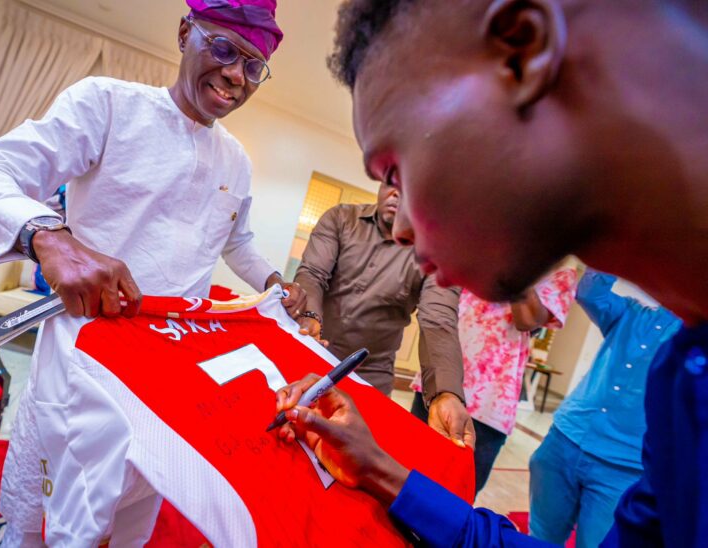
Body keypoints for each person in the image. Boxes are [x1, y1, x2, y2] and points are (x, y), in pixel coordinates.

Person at [274, 0, 708, 546]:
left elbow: (440, 317)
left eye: (398, 167)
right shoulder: (681, 378)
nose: (401, 226)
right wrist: (381, 472)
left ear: (522, 50)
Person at [0, 1, 306, 545]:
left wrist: (272, 282)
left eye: (253, 65)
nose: (236, 74)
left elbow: (238, 242)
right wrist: (49, 236)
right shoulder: (109, 105)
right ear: (186, 32)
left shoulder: (236, 159)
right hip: (86, 357)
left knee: (134, 505)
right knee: (51, 513)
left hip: (170, 370)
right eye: (224, 49)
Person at [294, 181, 473, 446]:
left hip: (370, 376)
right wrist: (310, 318)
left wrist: (445, 394)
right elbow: (312, 274)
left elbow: (438, 320)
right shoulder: (341, 218)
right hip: (310, 352)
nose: (397, 191)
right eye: (391, 182)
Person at [530, 270, 681, 547]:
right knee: (539, 537)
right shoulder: (631, 313)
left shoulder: (689, 340)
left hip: (622, 467)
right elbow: (589, 292)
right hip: (564, 440)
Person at [413, 269, 576, 493]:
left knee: (455, 495)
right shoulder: (486, 238)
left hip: (489, 398)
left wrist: (516, 261)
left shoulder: (560, 268)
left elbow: (527, 319)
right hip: (437, 375)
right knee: (406, 470)